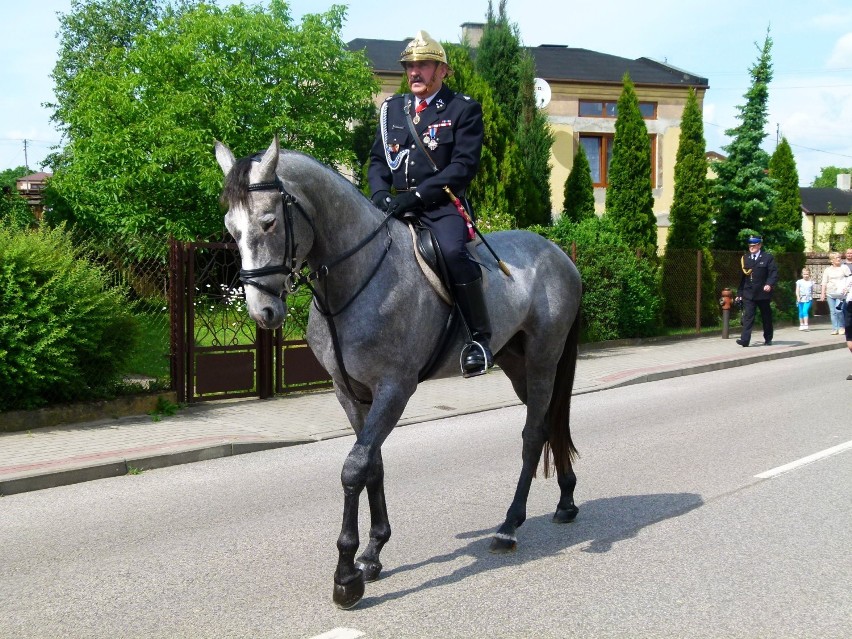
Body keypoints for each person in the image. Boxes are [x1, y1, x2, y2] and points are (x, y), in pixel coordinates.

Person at [368, 30, 492, 377]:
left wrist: (417, 196)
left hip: (440, 207)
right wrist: (379, 195)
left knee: (453, 253)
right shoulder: (392, 109)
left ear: (442, 71)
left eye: (423, 65)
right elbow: (378, 160)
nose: (414, 72)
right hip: (395, 206)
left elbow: (462, 167)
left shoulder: (462, 108)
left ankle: (479, 340)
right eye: (410, 66)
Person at [735, 235, 778, 347]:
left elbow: (773, 273)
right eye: (750, 245)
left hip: (763, 293)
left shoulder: (767, 258)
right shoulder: (745, 258)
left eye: (754, 245)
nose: (751, 247)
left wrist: (769, 284)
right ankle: (745, 340)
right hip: (749, 293)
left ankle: (768, 338)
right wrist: (739, 294)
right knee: (748, 317)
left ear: (759, 245)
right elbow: (742, 278)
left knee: (766, 317)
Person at [819, 251, 847, 335]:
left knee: (839, 310)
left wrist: (847, 289)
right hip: (830, 293)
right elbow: (824, 282)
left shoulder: (844, 267)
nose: (839, 259)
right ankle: (835, 328)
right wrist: (822, 294)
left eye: (839, 257)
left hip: (841, 293)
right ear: (832, 260)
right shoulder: (827, 270)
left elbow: (850, 279)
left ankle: (842, 327)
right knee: (833, 311)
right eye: (837, 257)